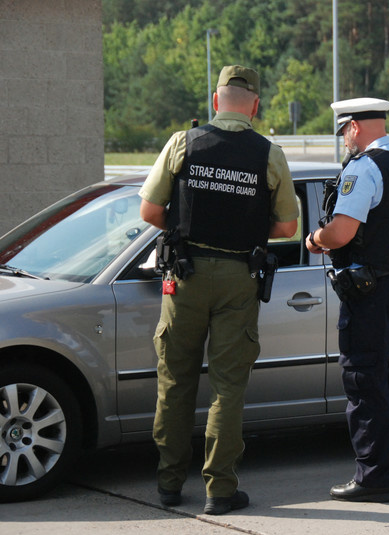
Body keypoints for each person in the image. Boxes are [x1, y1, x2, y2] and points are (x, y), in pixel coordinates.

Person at [139, 65, 298, 515]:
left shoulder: (182, 143)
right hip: (237, 278)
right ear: (255, 106)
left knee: (174, 381)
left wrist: (190, 225)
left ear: (215, 101)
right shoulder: (269, 153)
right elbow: (288, 226)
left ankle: (169, 483)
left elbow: (150, 211)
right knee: (228, 388)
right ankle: (220, 491)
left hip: (183, 275)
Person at [306, 97, 389, 503]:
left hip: (371, 290)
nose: (344, 143)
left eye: (344, 133)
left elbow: (340, 233)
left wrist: (314, 239)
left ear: (354, 127)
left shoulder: (364, 167)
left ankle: (374, 477)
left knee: (364, 379)